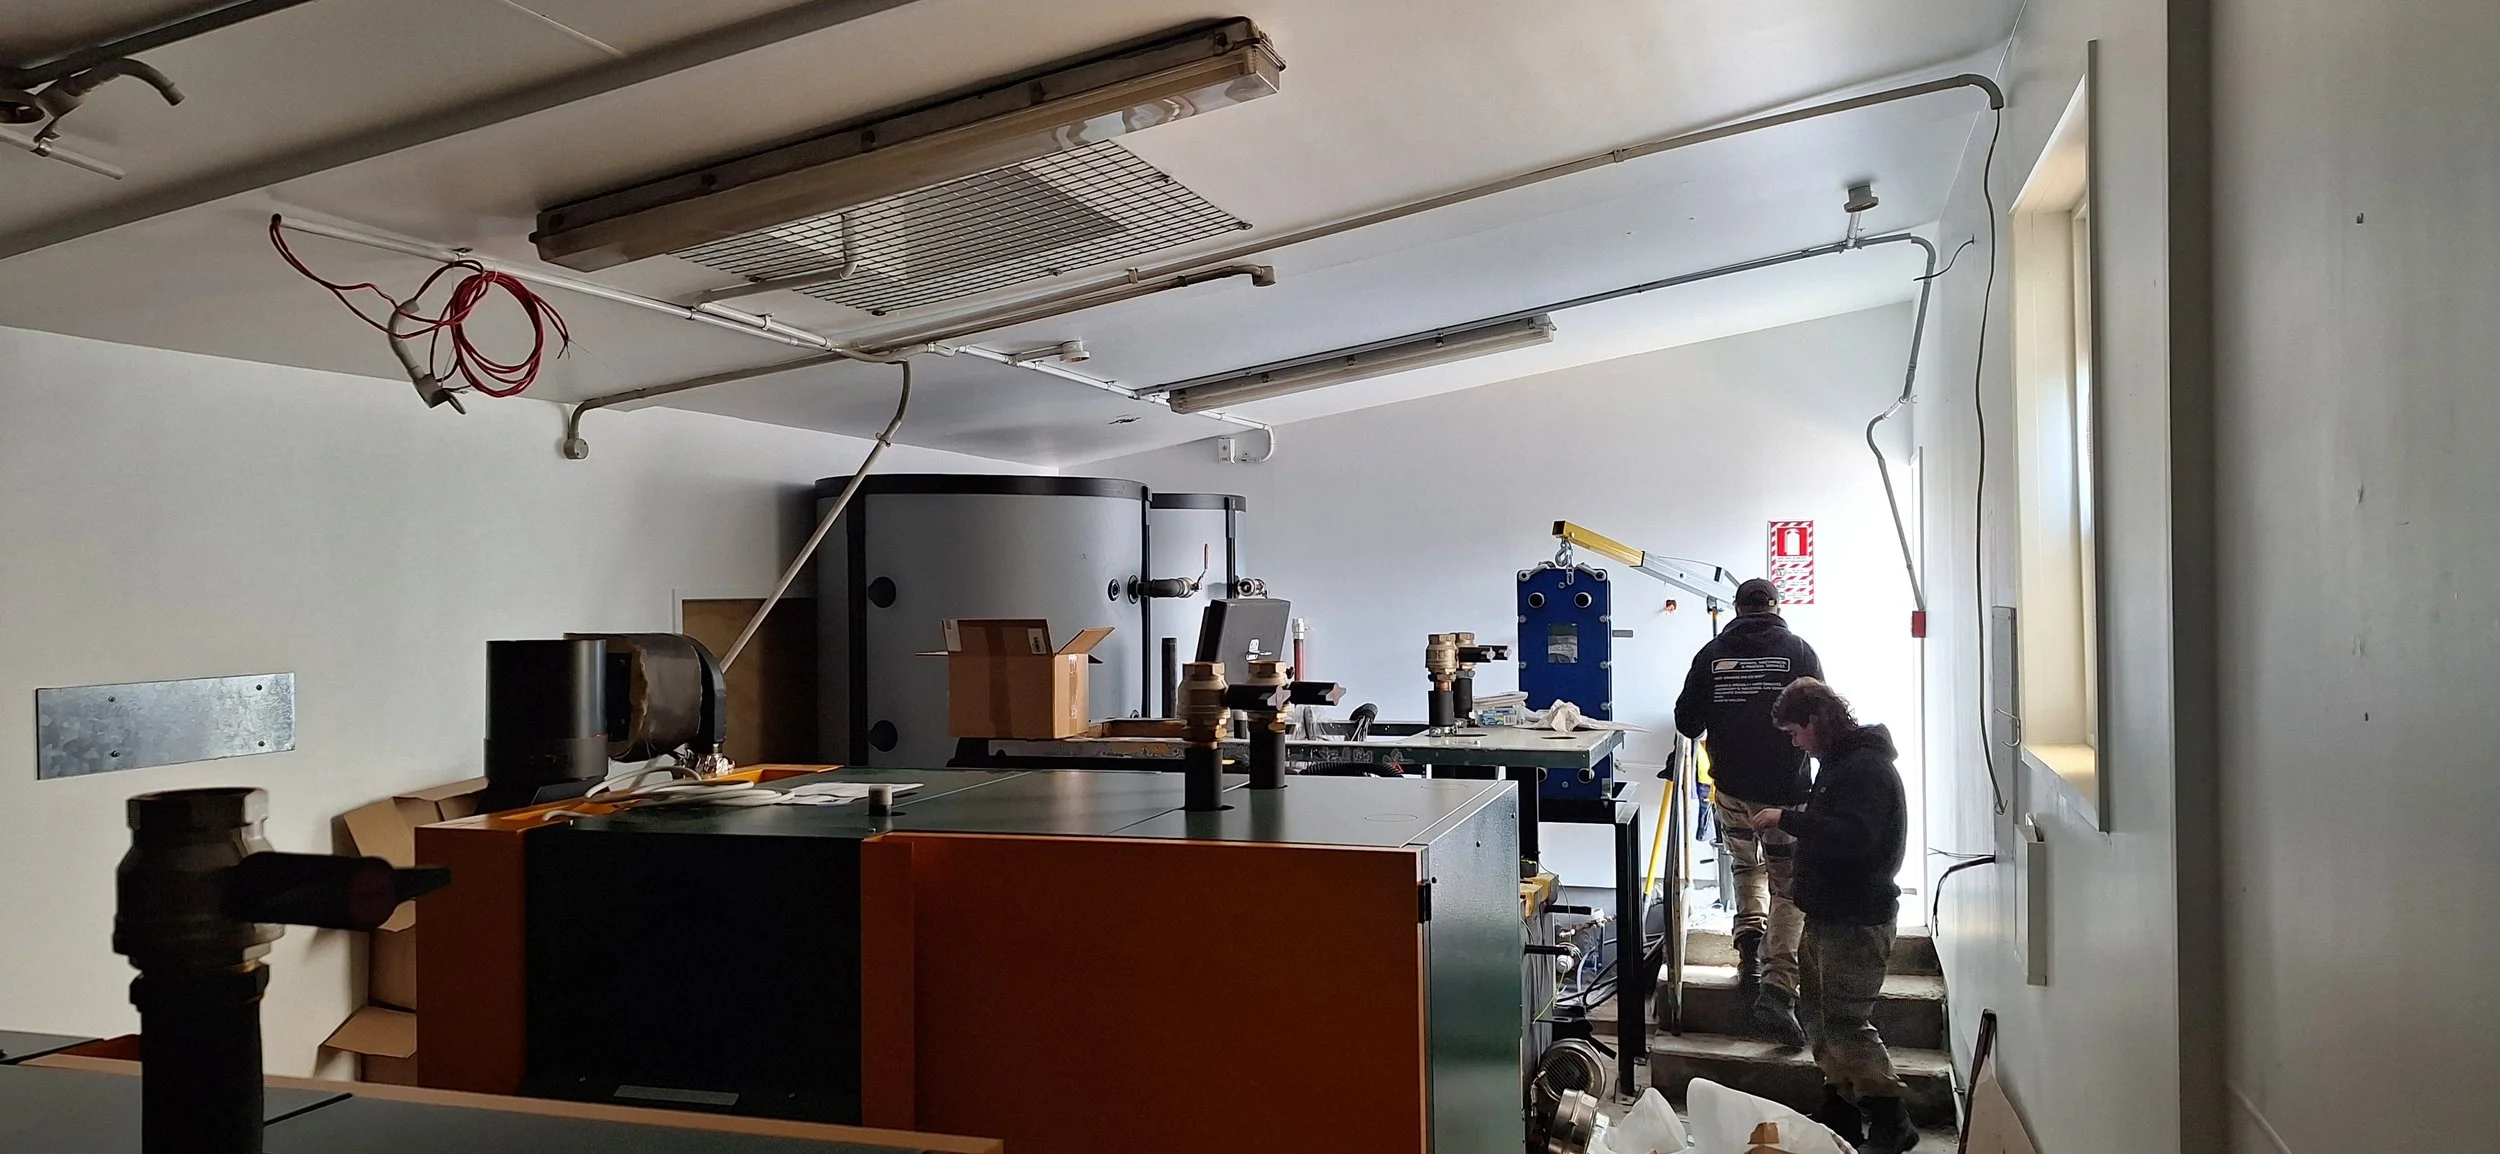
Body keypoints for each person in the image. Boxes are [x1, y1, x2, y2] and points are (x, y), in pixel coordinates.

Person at [1750, 677, 1916, 1154]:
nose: (1794, 742)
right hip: (1828, 914)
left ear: (1815, 724)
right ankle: (1840, 1109)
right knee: (1819, 1017)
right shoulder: (1840, 764)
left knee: (1846, 1022)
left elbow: (1852, 837)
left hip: (1857, 919)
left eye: (1795, 732)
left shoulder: (1864, 770)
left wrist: (1789, 818)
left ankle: (1891, 1121)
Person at [1673, 577, 1822, 1046]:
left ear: (1737, 609)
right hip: (1786, 793)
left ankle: (1749, 951)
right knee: (1787, 884)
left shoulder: (1712, 653)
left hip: (1732, 789)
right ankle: (1778, 988)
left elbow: (1686, 721)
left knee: (1746, 869)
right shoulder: (1798, 650)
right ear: (1776, 606)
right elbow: (1820, 714)